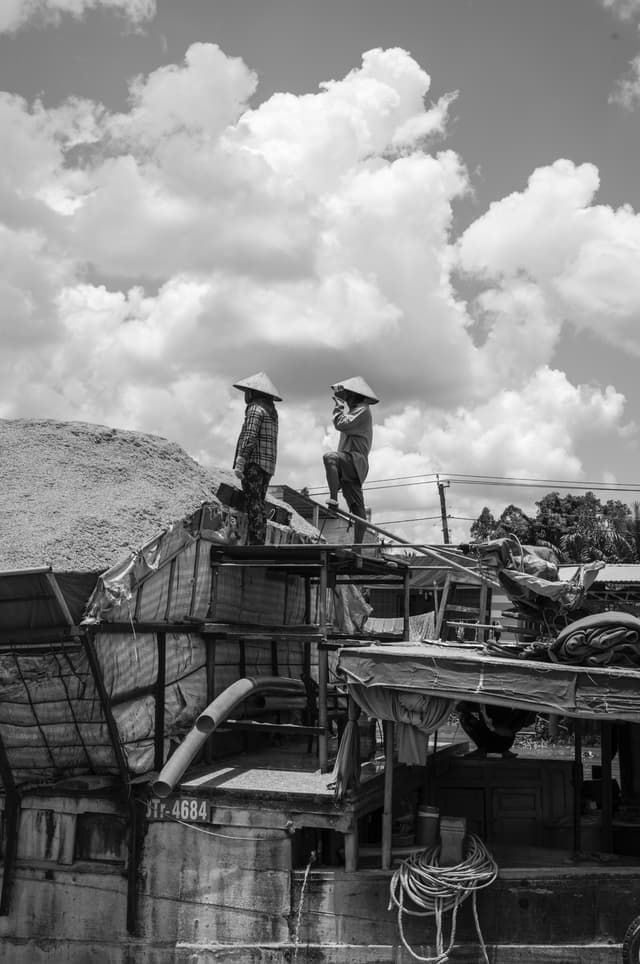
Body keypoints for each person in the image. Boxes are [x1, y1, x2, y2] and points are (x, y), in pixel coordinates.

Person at [322, 376, 379, 548]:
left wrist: (338, 404)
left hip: (354, 460)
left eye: (348, 396)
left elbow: (340, 423)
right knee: (357, 509)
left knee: (329, 457)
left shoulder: (363, 409)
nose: (346, 400)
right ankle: (358, 548)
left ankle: (333, 499)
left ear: (354, 396)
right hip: (349, 462)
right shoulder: (357, 410)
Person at [232, 372, 282, 545]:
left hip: (254, 463)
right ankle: (259, 539)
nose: (246, 396)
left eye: (247, 392)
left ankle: (256, 542)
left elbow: (250, 435)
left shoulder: (255, 408)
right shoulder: (272, 412)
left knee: (253, 503)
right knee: (259, 502)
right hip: (268, 465)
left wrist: (241, 460)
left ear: (253, 393)